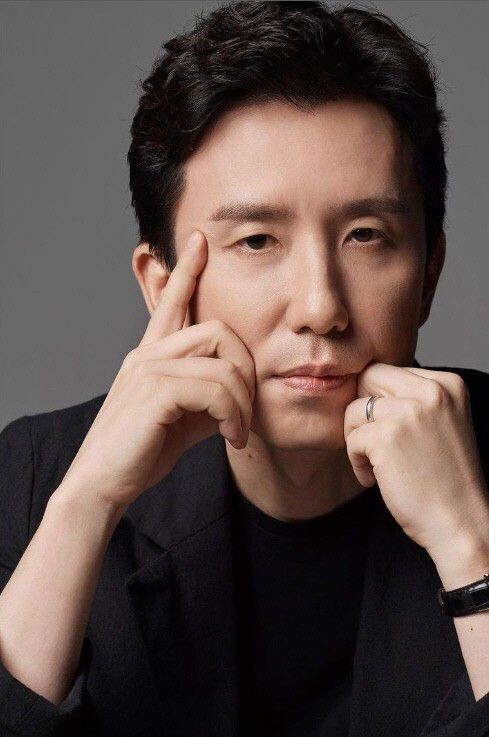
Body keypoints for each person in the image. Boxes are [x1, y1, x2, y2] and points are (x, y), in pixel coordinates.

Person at [0, 1, 488, 735]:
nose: (321, 308)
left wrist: (468, 546)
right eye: (257, 241)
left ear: (428, 272)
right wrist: (85, 504)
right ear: (163, 284)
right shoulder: (38, 474)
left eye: (366, 235)